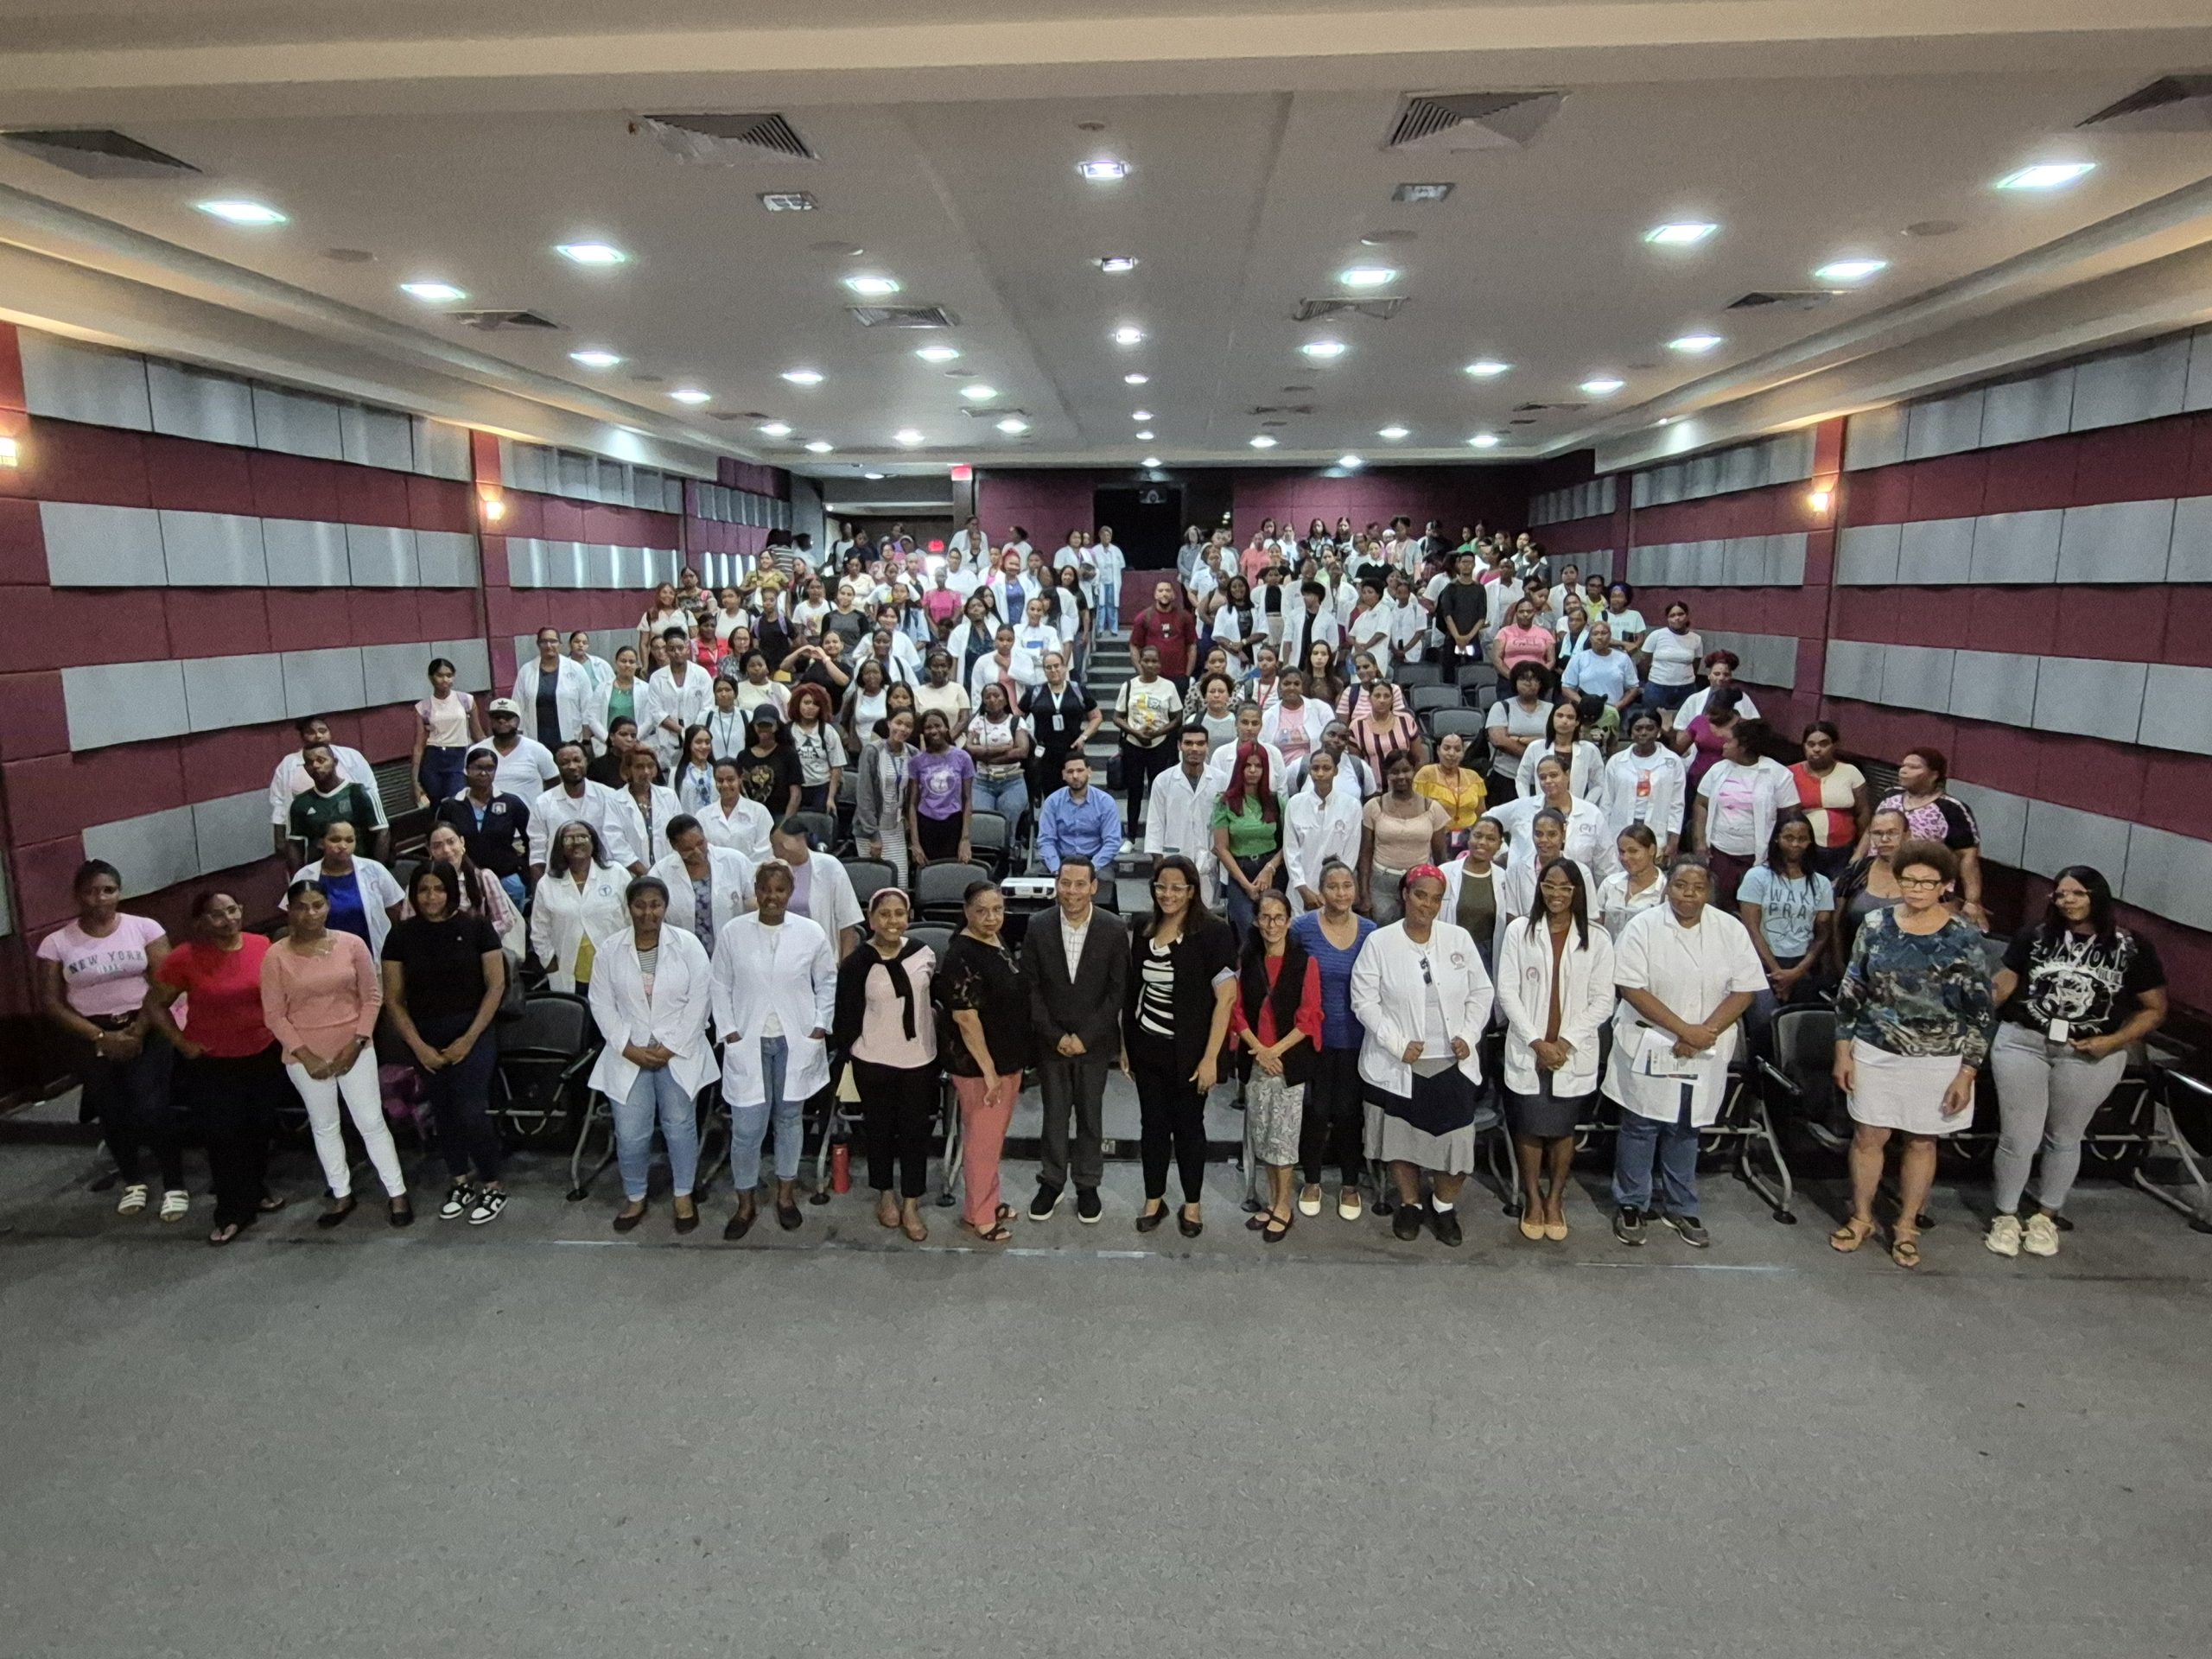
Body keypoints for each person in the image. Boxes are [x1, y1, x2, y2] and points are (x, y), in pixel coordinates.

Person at [1986, 865, 2169, 1259]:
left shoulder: (2131, 946)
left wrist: (2113, 1042)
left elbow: (2154, 1008)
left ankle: (2046, 1217)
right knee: (2018, 1136)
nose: (2067, 900)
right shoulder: (2035, 935)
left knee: (2065, 1136)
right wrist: (1977, 1005)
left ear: (2097, 896)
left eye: (2077, 893)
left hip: (2090, 1050)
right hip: (2024, 1042)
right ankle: (2006, 1215)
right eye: (2061, 894)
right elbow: (2007, 980)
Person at [1830, 840, 1997, 1268]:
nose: (1917, 889)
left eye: (1927, 882)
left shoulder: (1963, 936)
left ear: (1944, 886)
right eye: (1910, 880)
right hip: (1876, 1046)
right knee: (1869, 1136)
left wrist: (1968, 1072)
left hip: (1939, 1056)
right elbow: (1852, 989)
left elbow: (1981, 1011)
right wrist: (1843, 1049)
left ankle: (1906, 1225)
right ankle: (1862, 1217)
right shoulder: (1875, 924)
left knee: (1922, 1141)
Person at [1605, 857, 1766, 1249]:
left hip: (1704, 1045)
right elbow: (1631, 987)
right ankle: (1632, 1203)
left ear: (1709, 892)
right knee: (1641, 1125)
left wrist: (1702, 1034)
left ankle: (1681, 1206)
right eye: (1680, 886)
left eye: (1697, 887)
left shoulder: (1729, 929)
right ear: (1667, 887)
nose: (1688, 895)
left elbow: (1745, 989)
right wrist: (1684, 1030)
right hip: (1652, 1040)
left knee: (1685, 1126)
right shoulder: (1643, 926)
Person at [1351, 865, 1495, 1246]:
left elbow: (1482, 992)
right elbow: (1364, 1001)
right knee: (1402, 1141)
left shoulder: (1458, 939)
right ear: (1405, 894)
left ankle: (1443, 1206)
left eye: (1435, 899)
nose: (1427, 905)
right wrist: (1397, 1043)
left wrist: (1468, 1035)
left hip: (1452, 1061)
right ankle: (1410, 1203)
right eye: (1420, 895)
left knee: (1456, 1145)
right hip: (1401, 1063)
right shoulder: (1379, 943)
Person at [260, 877, 410, 1228]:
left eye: (318, 905)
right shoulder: (275, 955)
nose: (311, 914)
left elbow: (372, 997)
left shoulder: (352, 944)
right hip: (305, 1055)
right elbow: (274, 1015)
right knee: (325, 1125)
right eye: (302, 907)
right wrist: (305, 1055)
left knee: (371, 1122)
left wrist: (357, 1043)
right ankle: (341, 1193)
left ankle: (397, 1192)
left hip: (355, 1047)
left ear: (328, 907)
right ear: (290, 911)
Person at [37, 861, 181, 1221]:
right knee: (112, 1109)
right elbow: (52, 1003)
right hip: (91, 1032)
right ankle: (133, 1180)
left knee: (152, 1106)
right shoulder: (56, 943)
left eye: (108, 890)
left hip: (145, 1024)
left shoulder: (144, 928)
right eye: (91, 892)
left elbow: (165, 982)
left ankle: (174, 1184)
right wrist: (101, 1037)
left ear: (119, 892)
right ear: (77, 896)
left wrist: (137, 1031)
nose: (100, 899)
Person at [142, 892, 283, 1244]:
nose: (228, 919)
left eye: (233, 910)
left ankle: (256, 1189)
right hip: (212, 1061)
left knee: (260, 1128)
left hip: (262, 1053)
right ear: (200, 922)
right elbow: (155, 1004)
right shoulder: (185, 957)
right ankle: (231, 1211)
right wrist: (182, 1043)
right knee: (223, 1136)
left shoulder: (261, 945)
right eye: (217, 915)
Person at [711, 861, 838, 1239]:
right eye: (765, 889)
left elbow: (827, 981)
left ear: (790, 892)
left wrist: (819, 1026)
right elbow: (719, 984)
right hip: (747, 1040)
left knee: (788, 1119)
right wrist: (729, 1031)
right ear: (756, 890)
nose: (771, 897)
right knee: (748, 1127)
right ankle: (745, 1202)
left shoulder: (810, 932)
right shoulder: (734, 932)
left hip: (794, 1040)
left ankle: (785, 1196)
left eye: (780, 890)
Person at [382, 863, 510, 1226]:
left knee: (471, 1109)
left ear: (452, 890)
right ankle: (459, 1180)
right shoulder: (401, 935)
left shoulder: (477, 927)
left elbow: (496, 986)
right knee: (443, 1110)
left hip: (474, 1030)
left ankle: (492, 1183)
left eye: (439, 888)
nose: (431, 897)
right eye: (424, 890)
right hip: (425, 1034)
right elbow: (394, 998)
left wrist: (468, 1039)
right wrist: (419, 1046)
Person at [587, 874, 715, 1235]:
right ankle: (635, 1196)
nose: (648, 913)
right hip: (629, 1052)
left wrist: (671, 1046)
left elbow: (700, 1000)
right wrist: (628, 1048)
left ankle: (683, 1195)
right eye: (640, 905)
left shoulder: (688, 945)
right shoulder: (610, 950)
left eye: (655, 905)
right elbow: (601, 1003)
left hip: (679, 1050)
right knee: (630, 1132)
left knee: (680, 1126)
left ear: (665, 907)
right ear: (629, 907)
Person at [1498, 858, 1615, 1243]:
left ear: (1578, 892)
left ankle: (1555, 1199)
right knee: (1530, 1128)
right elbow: (1507, 991)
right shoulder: (1520, 930)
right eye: (1549, 885)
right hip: (1530, 1049)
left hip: (1570, 1053)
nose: (1556, 894)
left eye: (1565, 887)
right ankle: (1533, 1199)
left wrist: (1564, 1043)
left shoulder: (1597, 938)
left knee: (1563, 1130)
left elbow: (1603, 1000)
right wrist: (1536, 1042)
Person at [1122, 855, 1237, 1238]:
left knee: (1189, 1128)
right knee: (1152, 1127)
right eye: (1161, 887)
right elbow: (1133, 990)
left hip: (1191, 1053)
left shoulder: (1214, 932)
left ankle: (1192, 1203)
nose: (1167, 894)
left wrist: (1211, 1059)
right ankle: (1154, 1198)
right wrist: (1126, 1044)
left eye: (1176, 888)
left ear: (1191, 891)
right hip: (1147, 1047)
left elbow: (1226, 999)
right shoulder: (1143, 927)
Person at [1020, 857, 1127, 1225]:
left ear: (1094, 887)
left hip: (1093, 1044)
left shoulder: (1114, 929)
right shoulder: (1038, 925)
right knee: (1054, 1115)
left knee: (1090, 1116)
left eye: (1080, 884)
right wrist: (1056, 1036)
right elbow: (1031, 988)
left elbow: (1117, 991)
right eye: (1066, 883)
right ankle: (1051, 1181)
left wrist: (1085, 1036)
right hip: (1051, 1043)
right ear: (1057, 885)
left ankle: (1087, 1184)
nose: (1072, 891)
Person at [834, 887, 941, 1243]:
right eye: (884, 914)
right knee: (878, 1131)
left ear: (908, 917)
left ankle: (911, 1202)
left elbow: (934, 1001)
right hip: (874, 1060)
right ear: (871, 919)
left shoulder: (923, 953)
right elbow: (845, 1014)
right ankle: (885, 1195)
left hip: (918, 1059)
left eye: (899, 913)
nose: (892, 921)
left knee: (915, 1133)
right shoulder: (857, 963)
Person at [1230, 890, 1325, 1243]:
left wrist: (1275, 1052)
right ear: (1256, 921)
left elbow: (1310, 1016)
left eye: (1278, 917)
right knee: (1263, 1135)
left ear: (1289, 920)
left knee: (1283, 1140)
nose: (1272, 925)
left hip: (1288, 1064)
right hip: (1258, 1060)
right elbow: (1237, 1011)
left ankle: (1284, 1206)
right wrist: (1259, 1050)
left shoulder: (1305, 962)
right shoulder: (1248, 959)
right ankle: (1272, 1201)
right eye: (1265, 917)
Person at [939, 880, 1031, 1243]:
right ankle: (980, 1217)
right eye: (981, 911)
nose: (991, 917)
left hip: (1007, 1058)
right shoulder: (961, 954)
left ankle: (986, 1202)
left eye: (997, 910)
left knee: (992, 1140)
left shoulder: (995, 939)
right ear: (966, 912)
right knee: (982, 1142)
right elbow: (966, 1018)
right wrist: (989, 1072)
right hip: (980, 1067)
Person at [1288, 861, 1375, 1220]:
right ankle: (1312, 1180)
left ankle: (1350, 1184)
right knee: (1316, 1111)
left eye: (1347, 886)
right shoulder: (1303, 928)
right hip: (1314, 1040)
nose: (1341, 893)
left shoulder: (1371, 932)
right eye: (1333, 886)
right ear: (1321, 892)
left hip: (1357, 1038)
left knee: (1349, 1114)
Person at [1738, 812, 1836, 1047]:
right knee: (1764, 1030)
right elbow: (1751, 929)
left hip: (1803, 966)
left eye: (1802, 839)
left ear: (1810, 842)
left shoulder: (1821, 883)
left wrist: (1797, 972)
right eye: (1789, 837)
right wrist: (1777, 972)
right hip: (1763, 965)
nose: (1795, 844)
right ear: (1776, 839)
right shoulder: (1757, 877)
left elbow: (1823, 933)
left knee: (1800, 1038)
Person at [1866, 747, 1986, 929]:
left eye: (1913, 767)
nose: (1903, 771)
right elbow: (1869, 832)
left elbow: (1967, 856)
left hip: (1924, 887)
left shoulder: (1951, 809)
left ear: (1933, 775)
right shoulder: (1890, 796)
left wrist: (1973, 900)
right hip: (1879, 880)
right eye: (1903, 766)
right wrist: (1855, 863)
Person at [1691, 719, 1796, 907]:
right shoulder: (1718, 769)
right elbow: (1701, 803)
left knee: (1752, 906)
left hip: (1758, 856)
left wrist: (1779, 853)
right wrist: (1699, 842)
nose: (1724, 745)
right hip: (1719, 852)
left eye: (1729, 741)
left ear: (1744, 746)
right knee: (1718, 903)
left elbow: (1790, 815)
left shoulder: (1778, 774)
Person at [530, 821, 629, 993]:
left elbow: (631, 918)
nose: (577, 843)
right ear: (560, 846)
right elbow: (540, 931)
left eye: (583, 837)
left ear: (593, 841)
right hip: (569, 971)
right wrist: (550, 965)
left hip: (616, 966)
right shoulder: (547, 883)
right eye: (569, 839)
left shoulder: (616, 873)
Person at [1359, 750, 1451, 925]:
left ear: (1414, 771)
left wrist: (1442, 892)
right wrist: (1364, 894)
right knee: (1384, 930)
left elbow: (1441, 856)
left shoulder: (1432, 808)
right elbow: (1365, 854)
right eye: (1394, 772)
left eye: (1406, 770)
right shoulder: (1373, 806)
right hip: (1382, 884)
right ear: (1387, 773)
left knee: (1418, 928)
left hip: (1421, 884)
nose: (1401, 776)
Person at [267, 715, 378, 860]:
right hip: (312, 840)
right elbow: (280, 804)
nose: (318, 736)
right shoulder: (288, 765)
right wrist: (280, 841)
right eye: (311, 732)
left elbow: (371, 792)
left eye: (323, 730)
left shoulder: (351, 757)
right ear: (302, 737)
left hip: (353, 839)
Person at [435, 748, 532, 907]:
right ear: (466, 770)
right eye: (478, 768)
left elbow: (532, 839)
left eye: (489, 768)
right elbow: (439, 841)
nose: (483, 773)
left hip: (507, 879)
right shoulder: (451, 806)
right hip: (466, 881)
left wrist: (523, 871)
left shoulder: (511, 803)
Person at [650, 814, 754, 955]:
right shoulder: (660, 873)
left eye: (700, 843)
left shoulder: (735, 861)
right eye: (688, 849)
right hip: (682, 952)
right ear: (675, 847)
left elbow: (753, 899)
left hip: (733, 948)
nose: (697, 852)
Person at [414, 820, 523, 955]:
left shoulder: (484, 878)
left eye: (451, 842)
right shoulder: (419, 886)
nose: (446, 850)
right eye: (437, 846)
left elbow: (505, 921)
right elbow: (409, 927)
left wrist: (470, 937)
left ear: (462, 842)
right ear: (429, 850)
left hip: (478, 952)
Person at [302, 819, 405, 962]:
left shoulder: (375, 870)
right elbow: (295, 918)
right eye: (335, 840)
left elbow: (395, 910)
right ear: (321, 843)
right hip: (324, 959)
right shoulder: (305, 876)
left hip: (371, 956)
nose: (343, 846)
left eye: (350, 840)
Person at [1112, 645, 1184, 846]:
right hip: (1134, 743)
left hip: (1159, 744)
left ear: (1160, 664)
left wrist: (1158, 732)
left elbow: (1178, 717)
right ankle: (1131, 837)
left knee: (1158, 791)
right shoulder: (1129, 686)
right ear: (1140, 662)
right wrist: (1136, 732)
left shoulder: (1168, 687)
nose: (1150, 665)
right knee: (1134, 791)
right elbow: (1117, 717)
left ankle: (1157, 837)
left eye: (1155, 661)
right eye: (1146, 660)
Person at [1142, 726, 1223, 904]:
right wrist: (1159, 864)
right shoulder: (1163, 781)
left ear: (1207, 746)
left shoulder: (1221, 780)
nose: (1194, 748)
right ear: (1179, 745)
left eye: (1200, 743)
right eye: (1189, 743)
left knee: (1203, 911)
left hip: (1208, 861)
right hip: (1173, 856)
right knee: (1173, 909)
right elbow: (1155, 824)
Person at [1281, 747, 1363, 916]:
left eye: (1326, 768)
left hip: (1337, 893)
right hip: (1300, 892)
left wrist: (1332, 889)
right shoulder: (1295, 804)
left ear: (1336, 771)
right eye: (1315, 768)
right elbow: (1290, 850)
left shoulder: (1352, 806)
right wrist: (1302, 888)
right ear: (1309, 771)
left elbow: (1350, 854)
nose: (1320, 773)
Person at [768, 817, 863, 958]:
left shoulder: (830, 867)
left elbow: (847, 924)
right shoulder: (771, 869)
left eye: (782, 845)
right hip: (781, 952)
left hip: (821, 953)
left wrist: (846, 966)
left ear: (800, 839)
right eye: (775, 846)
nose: (778, 852)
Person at [285, 741, 388, 869]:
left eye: (321, 760)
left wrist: (376, 872)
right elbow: (294, 844)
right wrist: (298, 879)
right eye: (309, 763)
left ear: (335, 762)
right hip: (320, 874)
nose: (315, 766)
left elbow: (382, 832)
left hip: (358, 870)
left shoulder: (359, 793)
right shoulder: (301, 803)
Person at [1603, 709, 1687, 862]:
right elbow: (1607, 802)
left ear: (1658, 732)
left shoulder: (1673, 762)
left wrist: (1673, 839)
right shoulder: (1616, 762)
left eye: (1650, 728)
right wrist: (1604, 836)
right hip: (1621, 825)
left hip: (1656, 826)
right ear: (1631, 733)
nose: (1644, 733)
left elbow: (1677, 804)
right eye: (1638, 728)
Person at [1789, 721, 1869, 880]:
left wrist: (1861, 848)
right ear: (1804, 746)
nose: (1817, 749)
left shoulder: (1850, 772)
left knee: (1838, 889)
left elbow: (1863, 812)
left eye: (1823, 744)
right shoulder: (1789, 774)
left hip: (1844, 849)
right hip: (1804, 849)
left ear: (1835, 746)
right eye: (1811, 744)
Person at [1440, 816, 1512, 978]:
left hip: (1486, 958)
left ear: (1499, 844)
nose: (1482, 842)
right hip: (1450, 950)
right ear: (1469, 837)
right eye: (1478, 836)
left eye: (1491, 839)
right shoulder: (1445, 872)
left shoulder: (1504, 878)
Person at [852, 709, 918, 886]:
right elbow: (864, 796)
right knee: (874, 886)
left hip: (896, 829)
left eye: (908, 726)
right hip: (870, 830)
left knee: (900, 885)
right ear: (889, 723)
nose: (903, 729)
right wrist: (873, 835)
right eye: (898, 723)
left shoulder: (913, 753)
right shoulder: (872, 750)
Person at [906, 708, 976, 868]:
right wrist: (915, 843)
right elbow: (912, 804)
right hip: (926, 824)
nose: (933, 731)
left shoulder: (963, 758)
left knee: (953, 872)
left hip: (954, 823)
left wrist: (965, 839)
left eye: (938, 725)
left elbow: (967, 800)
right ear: (922, 732)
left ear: (946, 727)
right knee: (928, 873)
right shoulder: (916, 761)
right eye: (928, 727)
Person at [411, 656, 485, 808]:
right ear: (431, 677)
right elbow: (419, 745)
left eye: (449, 675)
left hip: (459, 755)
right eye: (440, 675)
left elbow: (478, 734)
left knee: (456, 799)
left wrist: (492, 758)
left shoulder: (466, 701)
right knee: (436, 804)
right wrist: (414, 780)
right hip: (434, 757)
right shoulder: (423, 707)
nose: (445, 680)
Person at [963, 680, 1032, 830]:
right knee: (983, 826)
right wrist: (1004, 748)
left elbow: (1022, 751)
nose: (992, 700)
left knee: (1008, 827)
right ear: (983, 701)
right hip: (982, 782)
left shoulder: (1016, 721)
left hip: (1012, 782)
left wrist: (987, 757)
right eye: (987, 697)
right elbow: (969, 748)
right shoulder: (977, 722)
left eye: (996, 695)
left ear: (1006, 699)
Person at [1037, 753, 1122, 875]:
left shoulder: (1105, 802)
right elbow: (1046, 840)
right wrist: (1056, 869)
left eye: (1080, 770)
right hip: (1061, 860)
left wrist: (1091, 868)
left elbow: (1112, 842)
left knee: (1104, 880)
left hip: (1095, 861)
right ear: (1063, 775)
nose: (1075, 776)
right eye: (1070, 772)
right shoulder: (1052, 802)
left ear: (1089, 771)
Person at [512, 626, 594, 750]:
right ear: (538, 644)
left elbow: (588, 707)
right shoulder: (526, 671)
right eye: (544, 641)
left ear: (560, 643)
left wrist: (586, 741)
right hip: (535, 740)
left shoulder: (576, 669)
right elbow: (517, 706)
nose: (549, 645)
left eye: (553, 641)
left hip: (570, 740)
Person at [467, 698, 559, 805]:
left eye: (507, 717)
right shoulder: (476, 751)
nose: (502, 721)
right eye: (497, 717)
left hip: (529, 814)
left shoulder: (537, 750)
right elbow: (467, 784)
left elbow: (554, 783)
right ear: (490, 721)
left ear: (518, 721)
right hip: (489, 813)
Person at [1484, 662, 1554, 801]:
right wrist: (1534, 752)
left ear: (1541, 684)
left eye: (1534, 679)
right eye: (1523, 678)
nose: (1528, 683)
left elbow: (1555, 740)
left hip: (1543, 780)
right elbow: (1499, 740)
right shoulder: (1502, 706)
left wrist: (1519, 738)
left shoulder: (1552, 709)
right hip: (1506, 777)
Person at [1513, 699, 1605, 804]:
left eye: (1570, 717)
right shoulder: (1535, 747)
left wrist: (1585, 805)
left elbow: (1598, 784)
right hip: (1542, 808)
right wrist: (1527, 803)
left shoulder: (1589, 750)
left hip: (1576, 808)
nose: (1564, 721)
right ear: (1552, 718)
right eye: (1560, 716)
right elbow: (1522, 778)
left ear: (1577, 722)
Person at [1413, 731, 1487, 854]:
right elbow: (1417, 812)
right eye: (1446, 748)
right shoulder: (1426, 774)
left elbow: (1481, 812)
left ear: (1463, 753)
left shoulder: (1474, 777)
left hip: (1469, 838)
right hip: (1436, 837)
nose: (1452, 753)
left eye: (1457, 749)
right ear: (1438, 750)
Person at [615, 742, 683, 874]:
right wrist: (645, 873)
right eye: (639, 767)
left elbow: (679, 833)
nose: (646, 772)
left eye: (650, 766)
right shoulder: (615, 800)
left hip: (669, 871)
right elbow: (615, 843)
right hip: (632, 874)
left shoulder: (668, 796)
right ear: (628, 770)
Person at [696, 757, 774, 862]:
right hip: (716, 871)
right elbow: (703, 852)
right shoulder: (702, 816)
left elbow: (763, 853)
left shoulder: (759, 812)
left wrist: (742, 870)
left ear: (740, 779)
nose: (725, 785)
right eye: (720, 780)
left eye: (730, 779)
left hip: (752, 871)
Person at [1598, 823, 1668, 941]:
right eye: (1622, 852)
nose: (1625, 858)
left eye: (1633, 851)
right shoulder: (1610, 884)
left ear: (1652, 850)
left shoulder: (1665, 889)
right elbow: (1597, 927)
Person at [785, 682, 846, 812]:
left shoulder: (828, 731)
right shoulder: (787, 731)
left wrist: (831, 798)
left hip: (821, 788)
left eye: (815, 704)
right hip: (794, 788)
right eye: (806, 703)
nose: (811, 707)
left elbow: (837, 768)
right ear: (797, 704)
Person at [1347, 680, 1425, 780]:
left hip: (1405, 784)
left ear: (1392, 699)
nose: (1382, 700)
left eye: (1387, 696)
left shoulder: (1406, 721)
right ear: (1369, 699)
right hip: (1373, 786)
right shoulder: (1357, 726)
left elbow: (1419, 758)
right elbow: (1356, 765)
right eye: (1377, 696)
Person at [1634, 601, 1701, 716]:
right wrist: (1651, 681)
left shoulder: (1696, 639)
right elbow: (1643, 662)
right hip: (1657, 689)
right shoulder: (1656, 635)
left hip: (1686, 690)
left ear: (1687, 616)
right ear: (1667, 618)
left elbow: (1696, 665)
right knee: (1652, 721)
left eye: (1680, 614)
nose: (1677, 618)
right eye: (1672, 615)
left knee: (1683, 722)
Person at [1562, 618, 1639, 715]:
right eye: (1595, 634)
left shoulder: (1623, 658)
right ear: (1590, 638)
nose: (1599, 637)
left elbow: (1633, 687)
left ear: (1610, 636)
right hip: (1585, 712)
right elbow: (1566, 687)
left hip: (1613, 712)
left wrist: (1619, 705)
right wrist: (1583, 703)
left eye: (1604, 633)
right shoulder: (1579, 658)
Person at [1128, 582, 1196, 686]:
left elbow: (1192, 646)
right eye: (1160, 591)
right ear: (1155, 595)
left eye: (1168, 590)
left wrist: (1187, 675)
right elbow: (1134, 646)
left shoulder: (1185, 617)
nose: (1164, 594)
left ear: (1174, 595)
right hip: (1152, 677)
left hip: (1179, 676)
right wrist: (1142, 673)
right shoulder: (1143, 618)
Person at [1673, 651, 1761, 729]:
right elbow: (1680, 726)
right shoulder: (1694, 699)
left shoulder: (1742, 699)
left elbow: (1755, 726)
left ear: (1731, 677)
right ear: (1709, 676)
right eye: (1717, 674)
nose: (1721, 678)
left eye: (1726, 674)